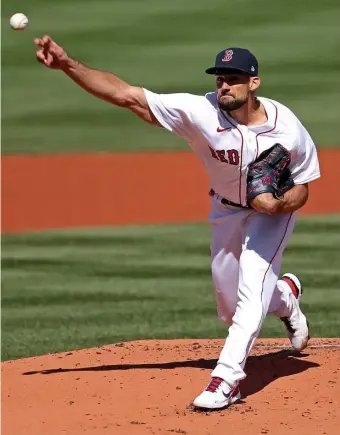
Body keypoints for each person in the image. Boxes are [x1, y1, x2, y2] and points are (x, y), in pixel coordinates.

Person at [34, 37, 320, 410]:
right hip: (226, 211)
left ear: (254, 83)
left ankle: (226, 380)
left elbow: (303, 187)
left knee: (251, 296)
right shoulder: (199, 111)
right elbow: (127, 96)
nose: (224, 86)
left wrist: (278, 204)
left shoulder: (288, 129)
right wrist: (69, 65)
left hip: (270, 220)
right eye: (219, 78)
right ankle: (285, 297)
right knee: (231, 310)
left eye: (233, 78)